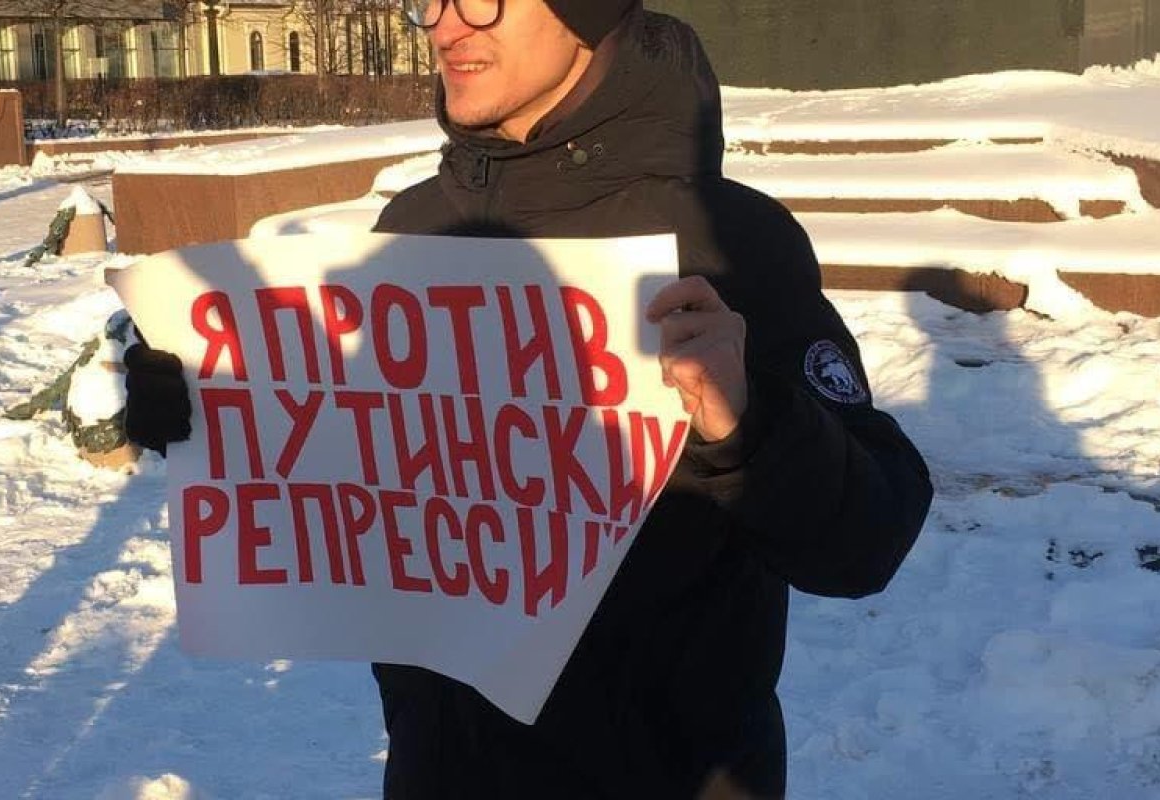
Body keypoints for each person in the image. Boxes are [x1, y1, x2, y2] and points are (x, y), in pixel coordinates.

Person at [125, 0, 933, 796]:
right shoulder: (414, 225)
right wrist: (219, 407)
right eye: (429, 0)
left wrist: (751, 425)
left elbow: (868, 541)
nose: (446, 25)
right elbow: (365, 464)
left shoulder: (726, 241)